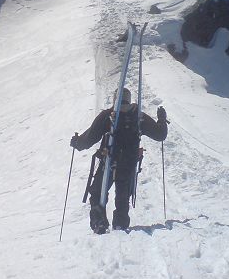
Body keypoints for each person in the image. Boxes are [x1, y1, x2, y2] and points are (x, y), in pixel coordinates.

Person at [70, 88, 168, 234]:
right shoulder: (138, 116)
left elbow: (90, 138)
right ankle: (120, 225)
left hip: (108, 161)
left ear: (115, 98)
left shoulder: (108, 115)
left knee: (97, 192)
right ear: (129, 99)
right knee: (122, 198)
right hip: (128, 164)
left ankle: (99, 223)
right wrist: (161, 119)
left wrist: (77, 142)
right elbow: (160, 135)